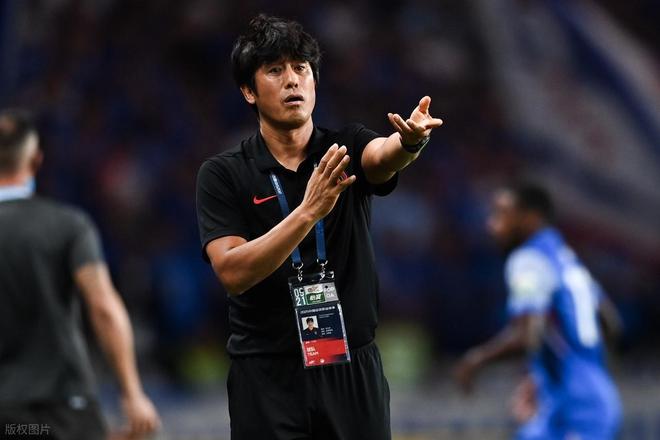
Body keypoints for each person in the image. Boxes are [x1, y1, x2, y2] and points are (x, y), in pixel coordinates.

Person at [196, 14, 442, 440]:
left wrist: (410, 142)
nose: (292, 80)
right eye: (275, 70)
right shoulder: (223, 174)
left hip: (350, 368)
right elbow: (233, 272)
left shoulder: (345, 148)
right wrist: (307, 212)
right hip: (267, 375)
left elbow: (383, 157)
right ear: (249, 91)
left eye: (301, 68)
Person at [0, 109, 161, 439]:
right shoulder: (69, 226)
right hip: (63, 407)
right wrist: (132, 393)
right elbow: (103, 307)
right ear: (36, 160)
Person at [454, 182, 622, 440]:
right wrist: (554, 372)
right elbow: (611, 323)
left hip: (575, 410)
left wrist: (475, 360)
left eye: (502, 214)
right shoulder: (564, 256)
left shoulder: (528, 259)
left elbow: (525, 337)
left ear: (530, 218)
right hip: (582, 399)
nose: (492, 225)